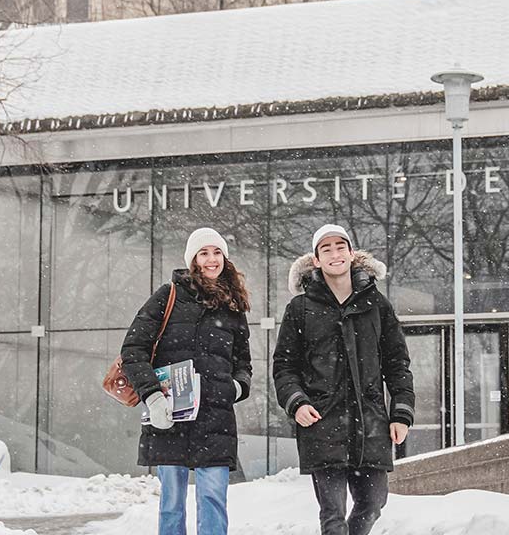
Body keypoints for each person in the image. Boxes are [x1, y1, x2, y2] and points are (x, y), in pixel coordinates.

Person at [273, 224, 414, 535]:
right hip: (322, 424)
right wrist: (296, 402)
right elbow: (284, 366)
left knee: (374, 502)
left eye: (340, 247)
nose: (335, 253)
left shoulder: (376, 304)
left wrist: (401, 412)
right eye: (326, 249)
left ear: (351, 254)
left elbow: (397, 363)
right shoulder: (300, 308)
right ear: (316, 260)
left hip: (371, 422)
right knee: (333, 515)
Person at [121, 228, 253, 535]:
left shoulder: (233, 306)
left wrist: (236, 387)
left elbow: (243, 362)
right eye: (204, 253)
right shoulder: (167, 296)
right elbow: (133, 349)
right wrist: (152, 397)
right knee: (172, 502)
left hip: (215, 417)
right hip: (170, 416)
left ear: (225, 258)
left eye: (217, 252)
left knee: (213, 499)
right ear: (193, 259)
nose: (211, 259)